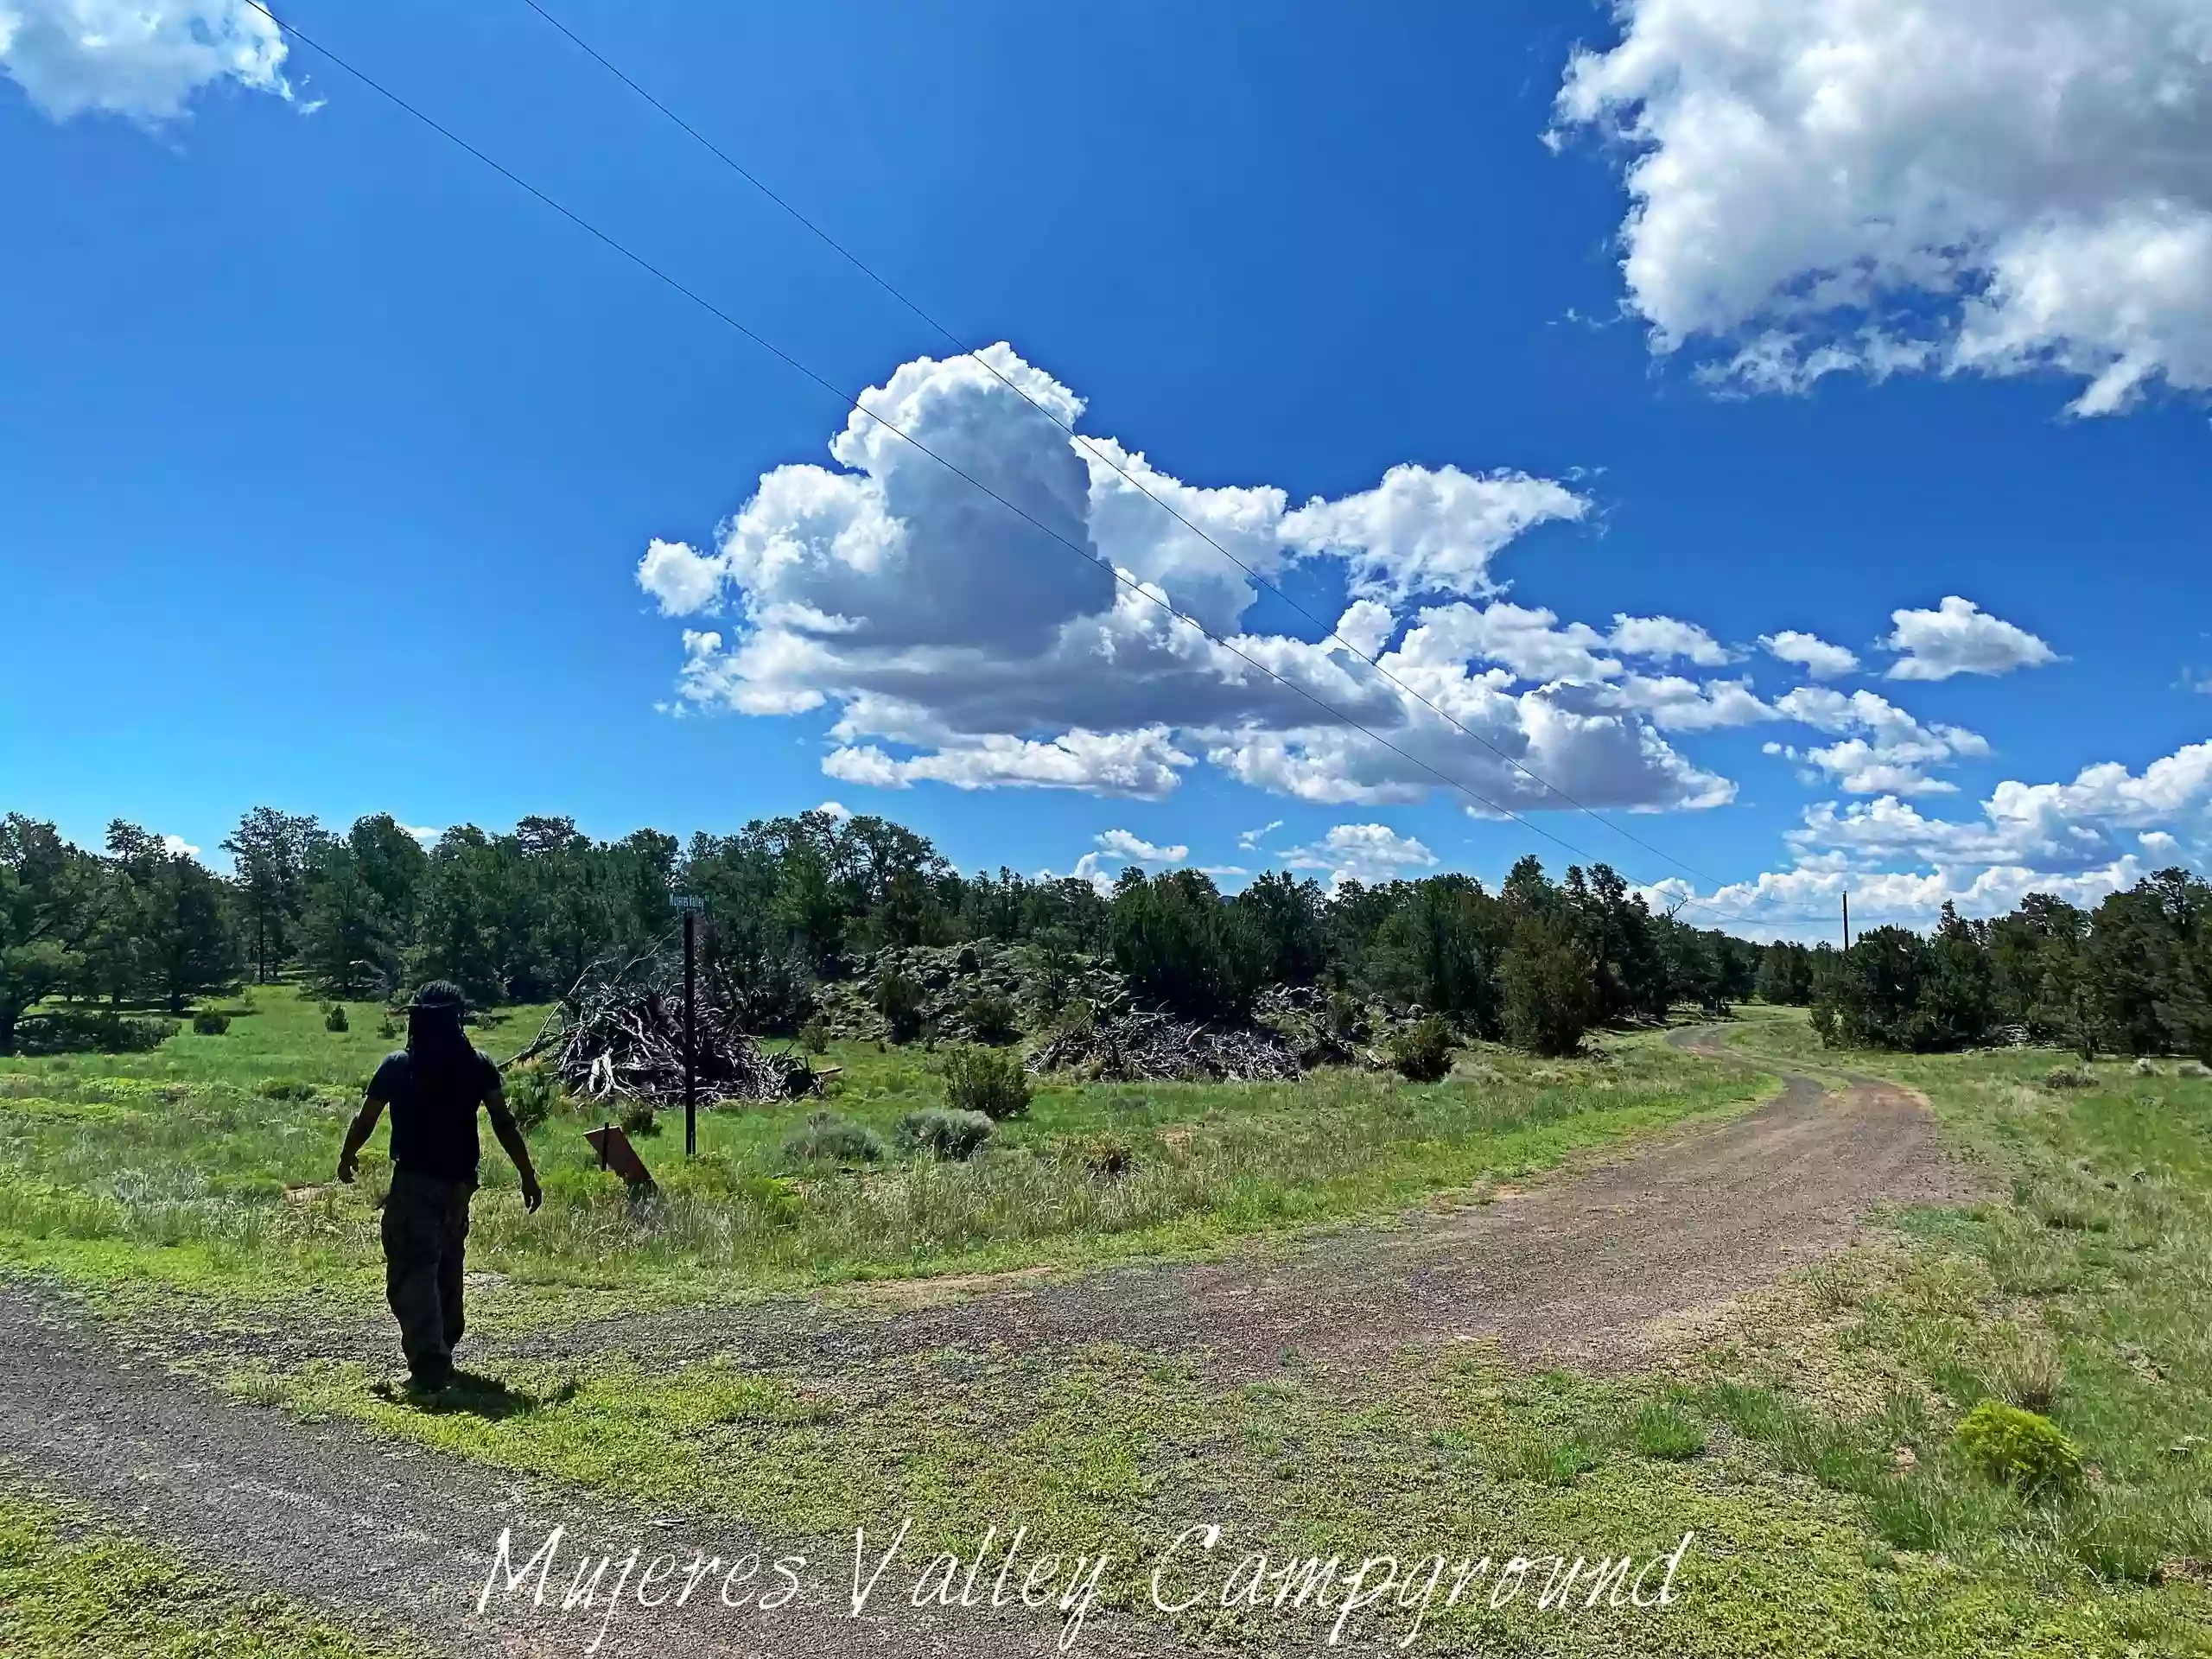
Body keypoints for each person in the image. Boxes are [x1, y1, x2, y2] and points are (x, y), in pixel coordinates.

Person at [336, 981, 543, 1390]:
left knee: (413, 1270)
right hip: (460, 1186)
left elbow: (367, 1118)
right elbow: (504, 1123)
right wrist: (526, 1172)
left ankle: (430, 1366)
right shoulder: (477, 1064)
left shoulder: (399, 1065)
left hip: (415, 1182)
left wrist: (347, 1154)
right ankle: (442, 1345)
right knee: (447, 1265)